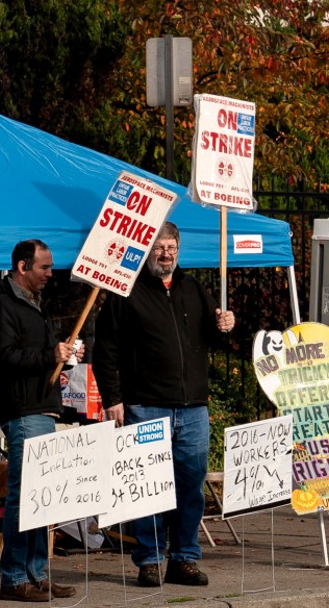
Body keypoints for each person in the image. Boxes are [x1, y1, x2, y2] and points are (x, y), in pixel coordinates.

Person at [93, 222, 235, 588]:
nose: (166, 253)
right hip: (145, 405)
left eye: (171, 246)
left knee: (190, 488)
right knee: (147, 488)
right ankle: (150, 559)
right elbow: (105, 350)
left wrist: (225, 327)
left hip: (192, 410)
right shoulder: (125, 292)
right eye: (158, 247)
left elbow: (216, 345)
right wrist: (114, 400)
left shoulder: (193, 288)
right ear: (146, 252)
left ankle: (184, 558)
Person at [0, 239, 78, 602]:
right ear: (23, 267)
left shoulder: (33, 304)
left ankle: (36, 573)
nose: (50, 274)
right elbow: (5, 357)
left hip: (42, 408)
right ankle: (13, 578)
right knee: (24, 498)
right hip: (23, 412)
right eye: (44, 267)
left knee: (43, 497)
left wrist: (61, 355)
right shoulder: (1, 304)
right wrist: (48, 354)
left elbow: (37, 354)